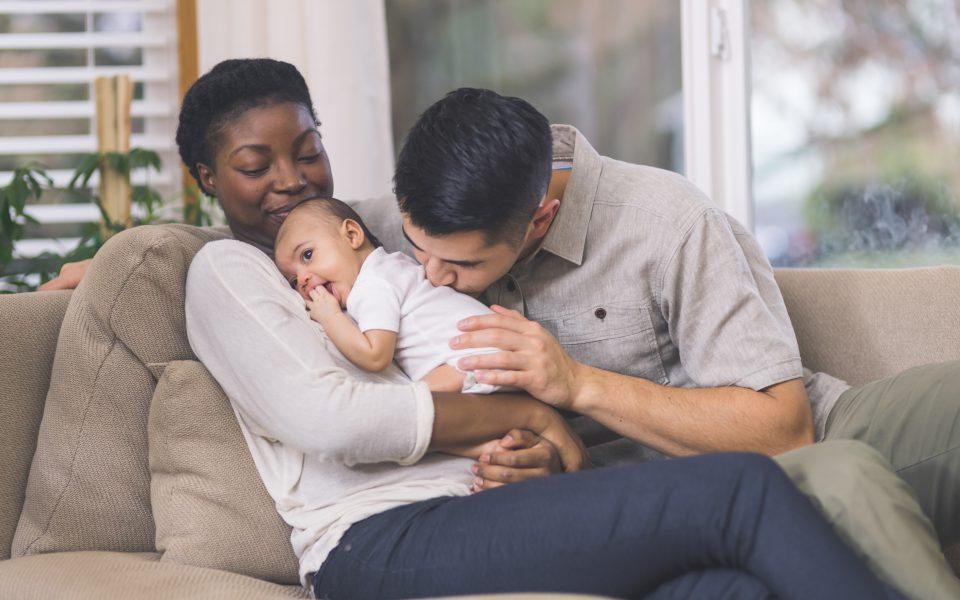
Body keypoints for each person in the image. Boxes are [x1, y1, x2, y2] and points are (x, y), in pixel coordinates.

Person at [40, 59, 957, 598]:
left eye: (307, 148)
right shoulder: (345, 247)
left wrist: (570, 401)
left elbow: (783, 429)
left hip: (782, 433)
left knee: (801, 504)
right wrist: (127, 259)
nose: (430, 276)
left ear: (539, 221)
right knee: (744, 537)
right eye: (256, 165)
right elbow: (272, 264)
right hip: (459, 524)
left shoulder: (657, 220)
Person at [273, 197, 505, 397]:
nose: (302, 280)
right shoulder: (392, 264)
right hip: (494, 356)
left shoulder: (372, 284)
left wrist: (330, 316)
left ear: (352, 235)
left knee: (406, 403)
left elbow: (375, 356)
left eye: (307, 255)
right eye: (293, 281)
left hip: (471, 362)